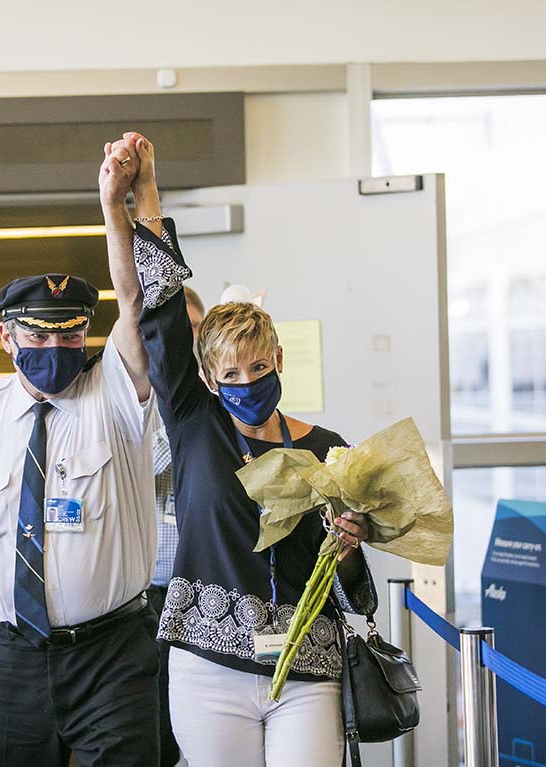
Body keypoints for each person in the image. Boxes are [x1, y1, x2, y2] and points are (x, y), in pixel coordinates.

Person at [105, 131, 378, 767]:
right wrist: (146, 197)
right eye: (229, 375)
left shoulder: (330, 451)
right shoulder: (196, 426)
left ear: (279, 360)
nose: (247, 383)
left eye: (258, 367)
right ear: (206, 380)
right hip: (208, 667)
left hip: (307, 667)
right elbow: (162, 311)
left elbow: (356, 597)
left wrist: (349, 546)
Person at [0, 144, 162, 766]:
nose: (57, 344)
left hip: (111, 655)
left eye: (72, 331)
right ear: (6, 337)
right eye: (38, 333)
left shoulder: (114, 391)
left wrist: (119, 204)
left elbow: (138, 302)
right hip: (8, 657)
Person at [149, 285, 204, 767]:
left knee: (205, 733)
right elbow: (136, 470)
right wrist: (180, 415)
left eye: (189, 333)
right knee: (154, 732)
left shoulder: (224, 406)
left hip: (208, 598)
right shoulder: (129, 401)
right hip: (145, 602)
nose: (178, 345)